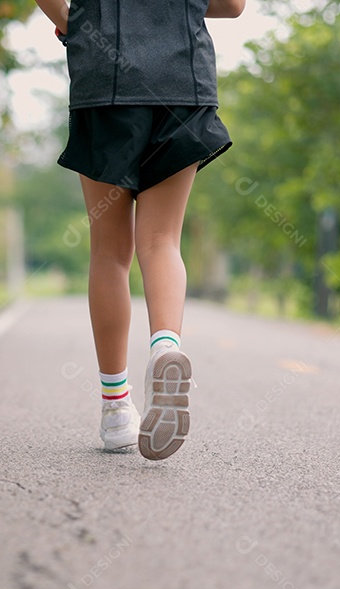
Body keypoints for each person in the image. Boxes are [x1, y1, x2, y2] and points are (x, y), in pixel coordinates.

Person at [35, 0, 245, 460]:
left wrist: (76, 21)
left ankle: (115, 410)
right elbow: (233, 5)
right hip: (182, 80)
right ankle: (165, 346)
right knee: (162, 240)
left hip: (105, 79)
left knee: (109, 253)